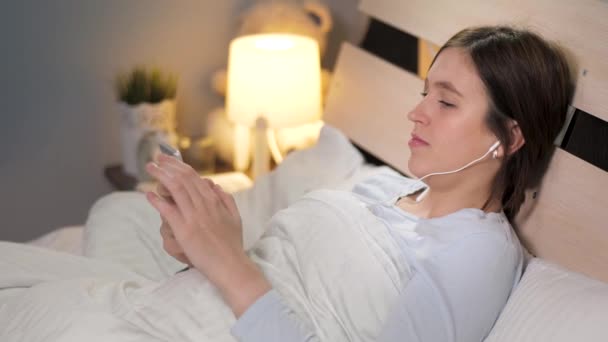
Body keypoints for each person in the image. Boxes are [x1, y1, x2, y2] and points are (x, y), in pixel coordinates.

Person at [144, 25, 575, 341]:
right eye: (424, 94)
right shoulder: (379, 189)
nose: (417, 113)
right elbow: (286, 281)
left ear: (510, 137)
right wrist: (198, 249)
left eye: (445, 101)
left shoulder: (478, 251)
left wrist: (227, 262)